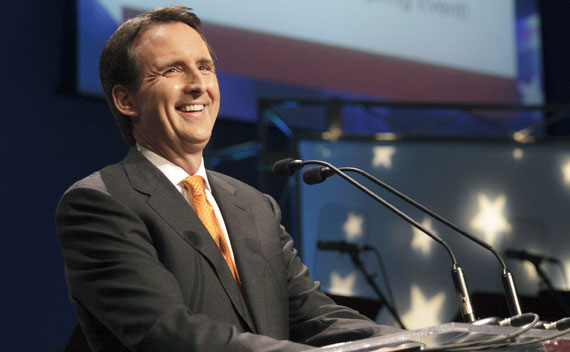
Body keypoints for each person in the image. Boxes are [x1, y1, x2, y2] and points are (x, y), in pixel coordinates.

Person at [56, 6, 404, 351]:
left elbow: (314, 318)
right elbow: (168, 334)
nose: (197, 85)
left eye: (205, 67)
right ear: (126, 100)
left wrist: (418, 342)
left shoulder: (254, 206)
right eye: (172, 70)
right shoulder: (101, 203)